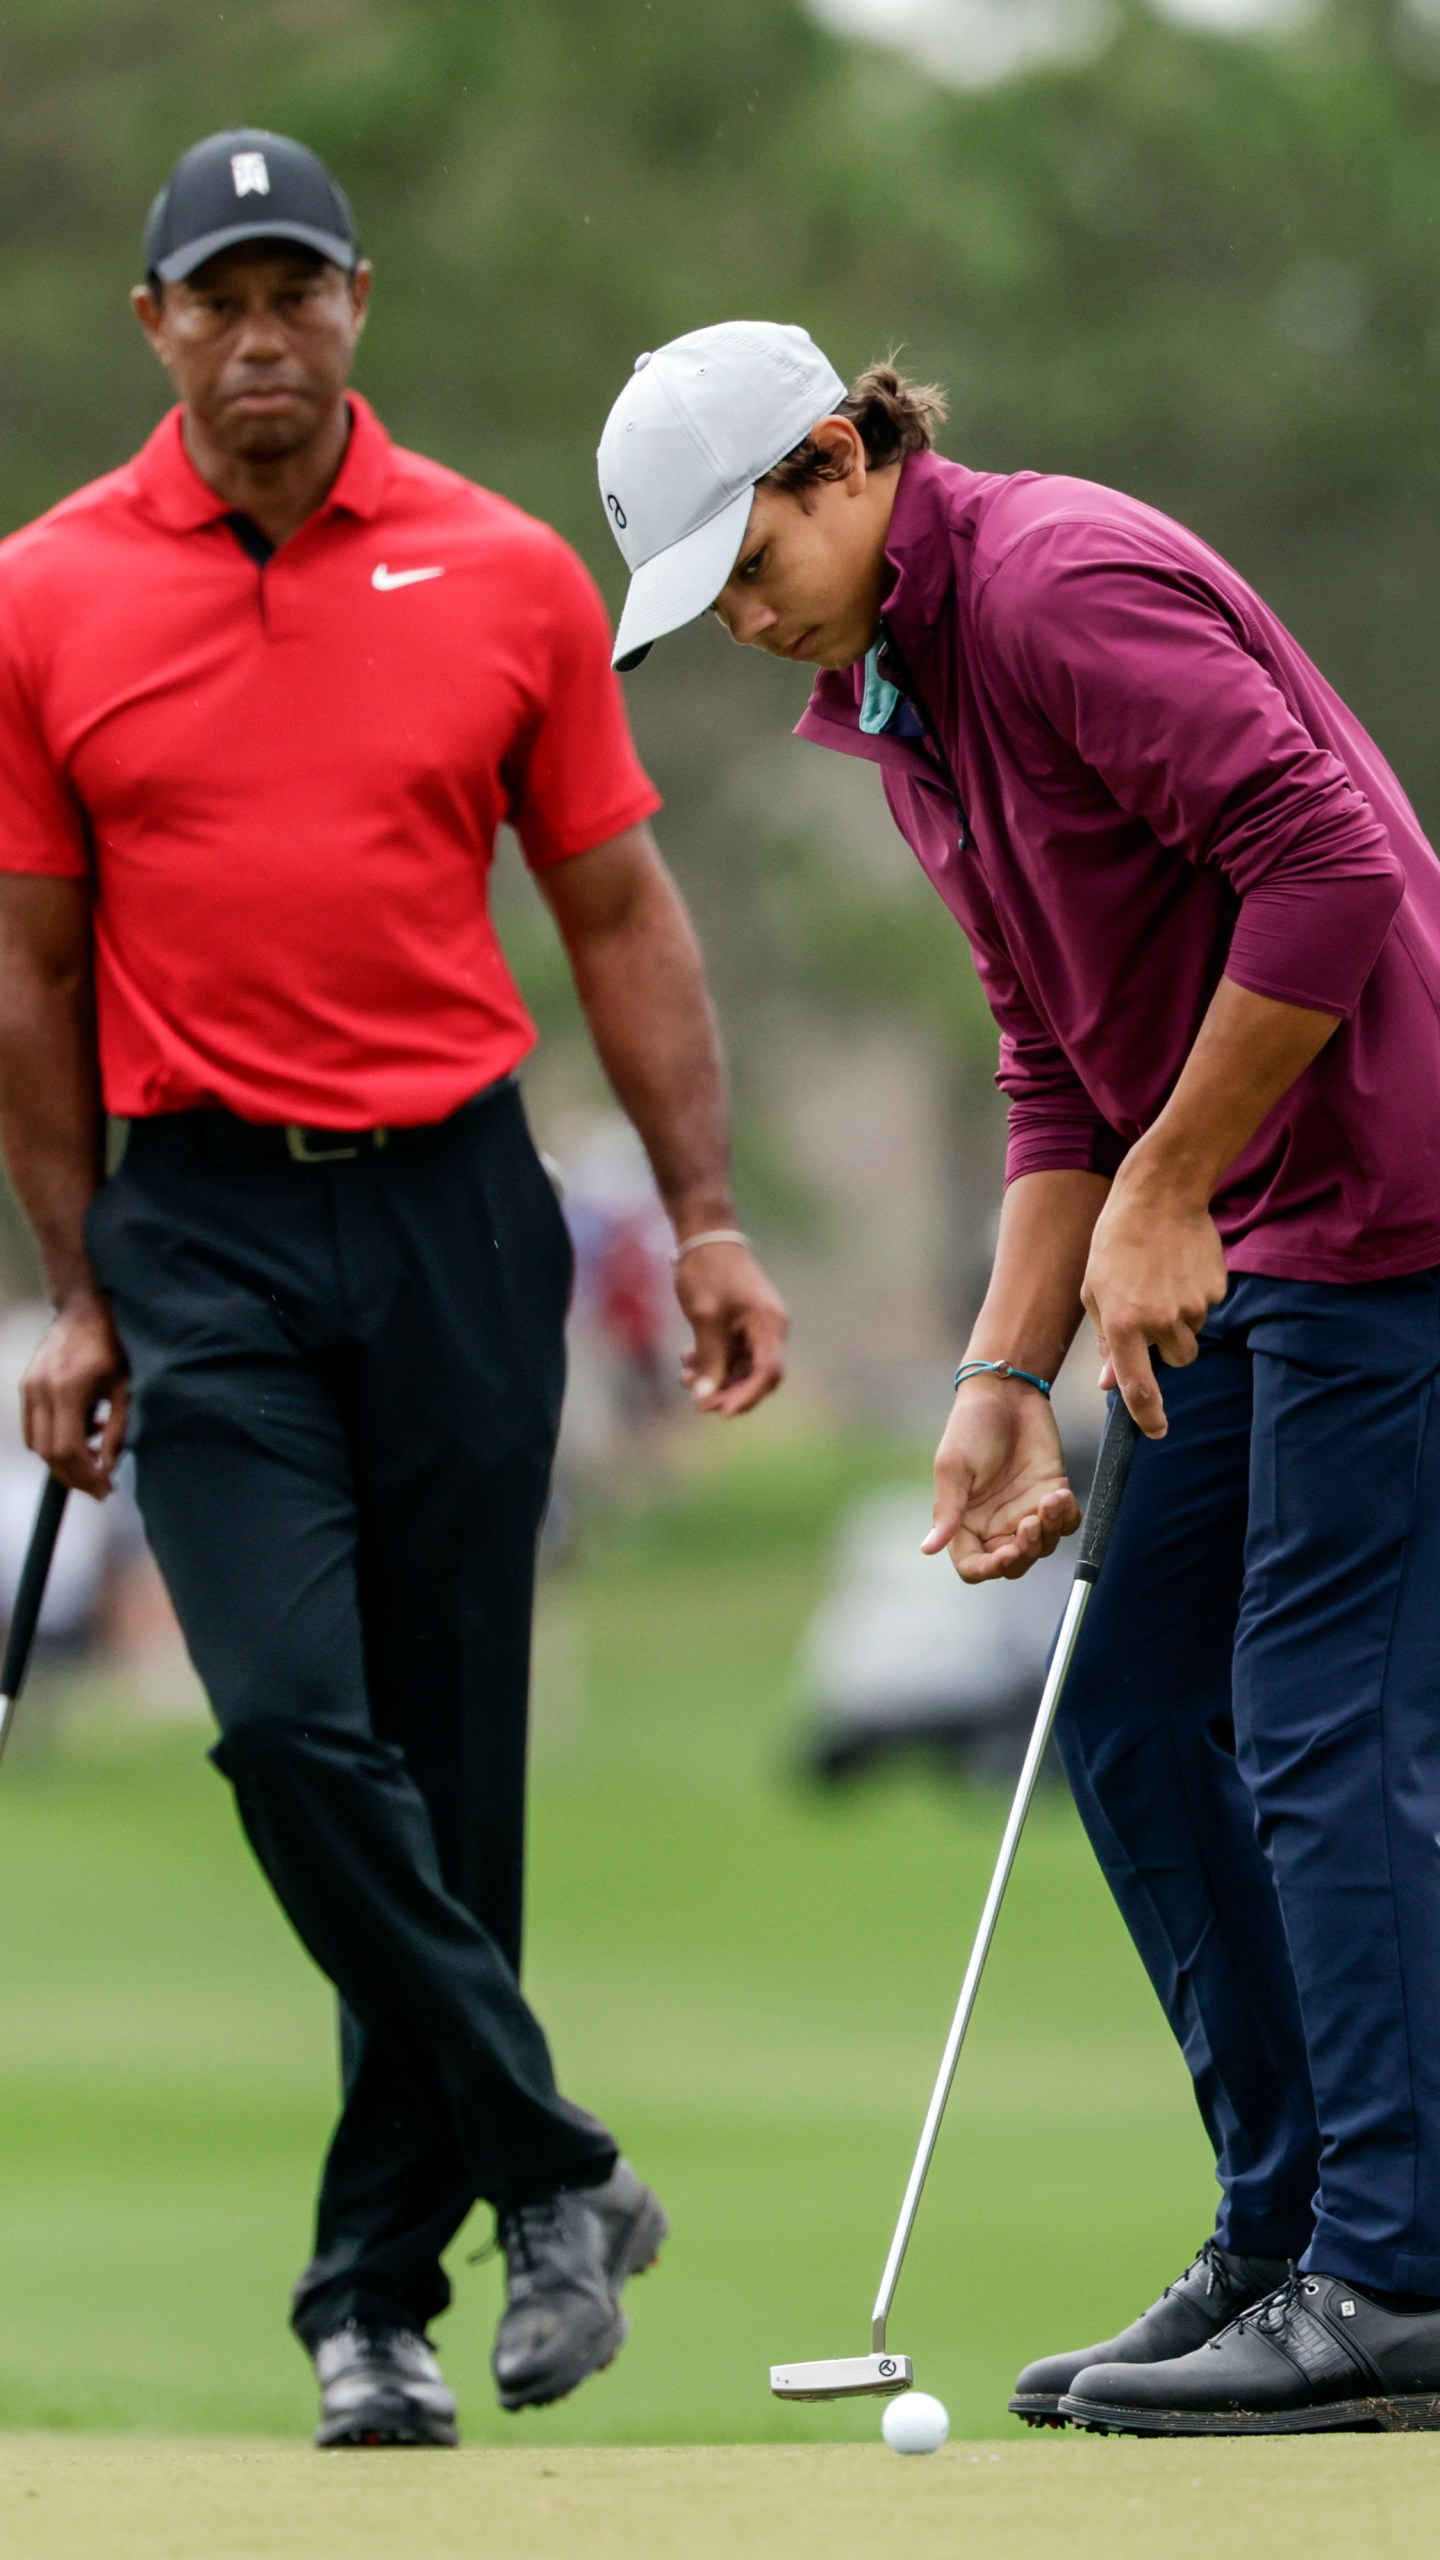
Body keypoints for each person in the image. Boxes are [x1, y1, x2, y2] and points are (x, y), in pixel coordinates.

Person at [0, 141, 787, 2449]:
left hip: (456, 1208)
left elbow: (623, 914)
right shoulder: (43, 591)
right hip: (203, 1224)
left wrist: (712, 1213)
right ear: (153, 324)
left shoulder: (513, 571)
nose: (261, 336)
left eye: (298, 293)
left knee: (449, 1771)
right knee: (286, 1724)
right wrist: (74, 1285)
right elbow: (34, 976)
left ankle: (373, 2298)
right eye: (215, 298)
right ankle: (553, 2165)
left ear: (361, 304)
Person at [595, 321, 1440, 2436]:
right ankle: (1289, 2229)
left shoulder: (1058, 590)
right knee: (1143, 1710)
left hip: (1390, 1205)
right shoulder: (905, 696)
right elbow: (1055, 1045)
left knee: (1320, 1719)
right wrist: (1000, 1366)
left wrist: (1171, 1186)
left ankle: (1403, 2274)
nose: (744, 617)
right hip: (1250, 1225)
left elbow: (1325, 864)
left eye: (748, 555)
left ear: (840, 454)